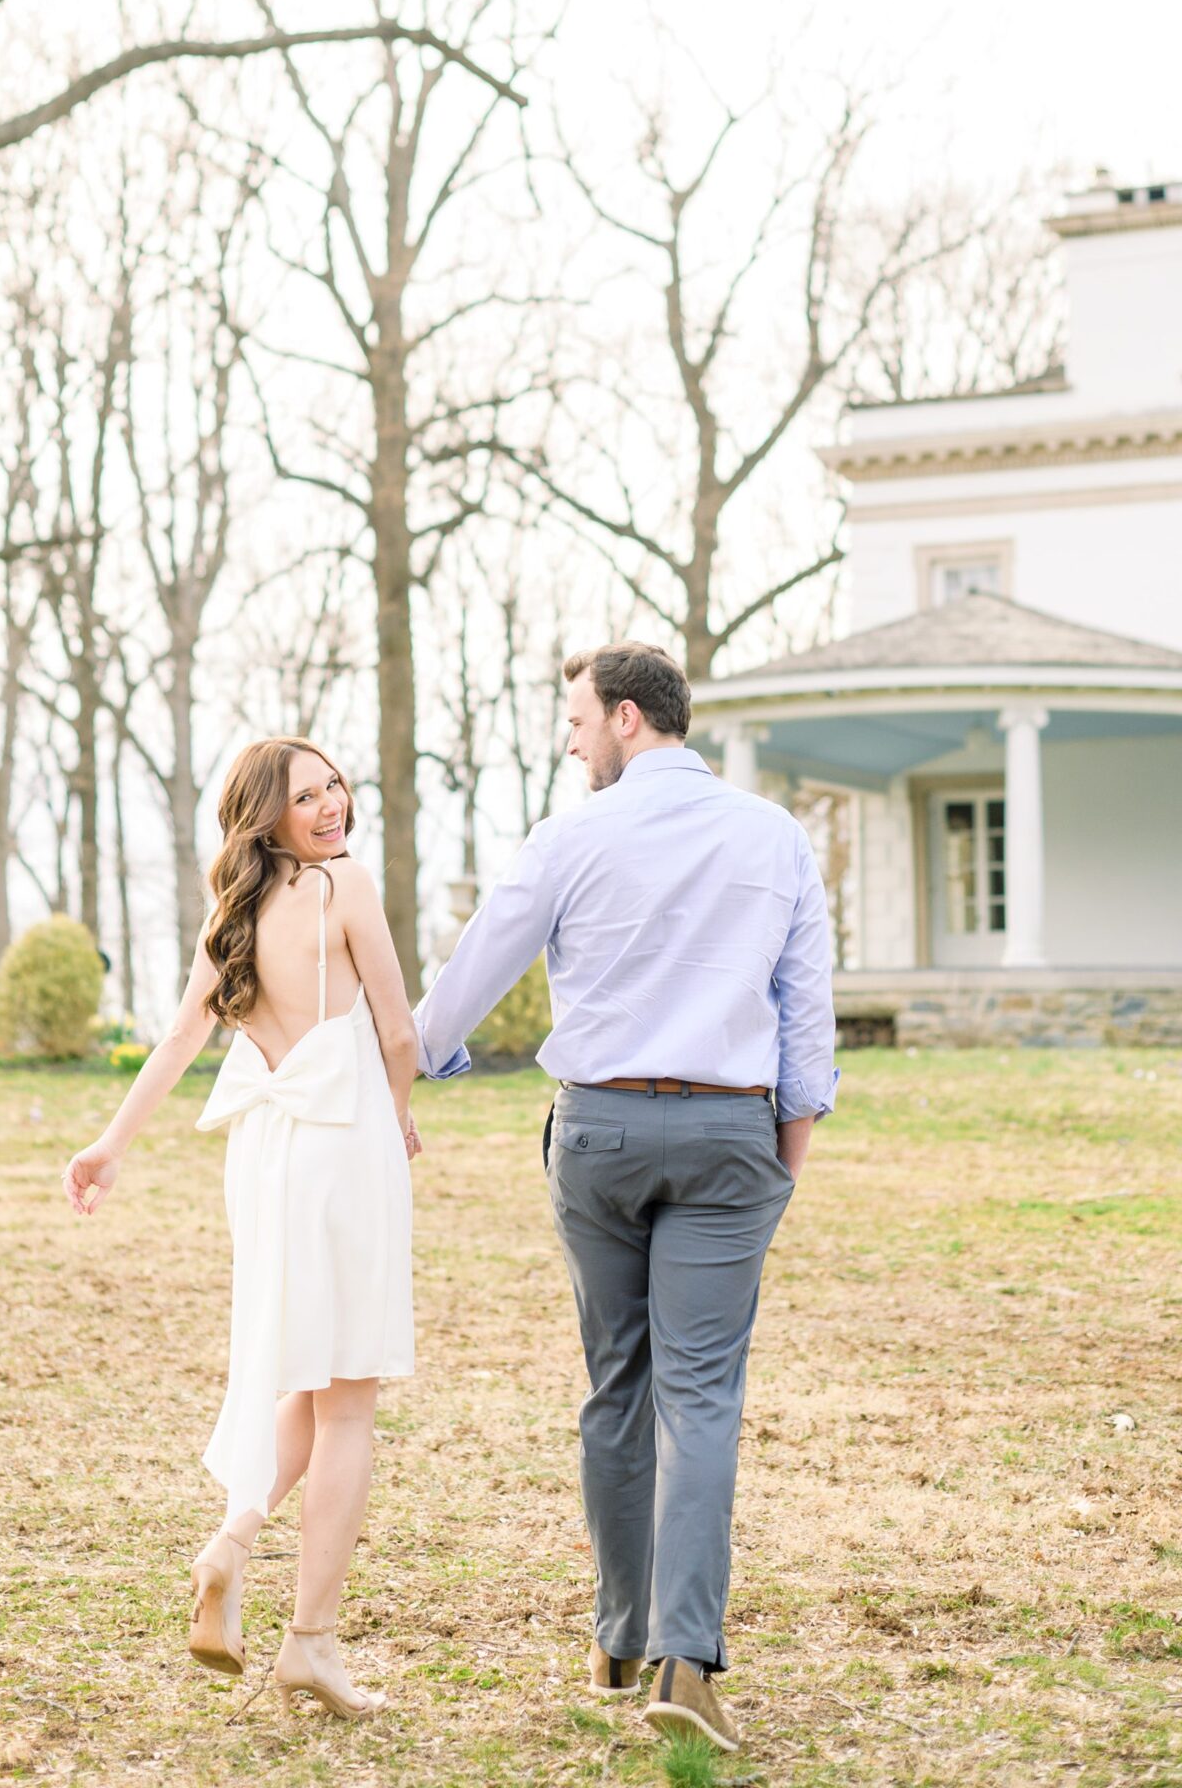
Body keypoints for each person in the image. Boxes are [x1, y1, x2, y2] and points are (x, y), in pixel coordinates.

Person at [413, 641, 835, 1755]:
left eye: (576, 719)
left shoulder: (569, 836)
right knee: (698, 1394)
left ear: (629, 719)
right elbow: (803, 1009)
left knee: (616, 1383)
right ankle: (685, 1660)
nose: (569, 739)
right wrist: (784, 1147)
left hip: (597, 1128)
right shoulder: (773, 836)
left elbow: (474, 964)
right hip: (728, 1130)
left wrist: (415, 1054)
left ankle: (617, 1635)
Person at [62, 739, 419, 1720]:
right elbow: (396, 1030)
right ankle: (310, 1641)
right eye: (306, 796)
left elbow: (182, 1035)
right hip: (340, 1145)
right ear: (268, 815)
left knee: (304, 1375)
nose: (331, 804)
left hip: (262, 1155)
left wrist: (110, 1142)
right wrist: (398, 1113)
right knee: (347, 1399)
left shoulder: (233, 910)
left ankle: (230, 1540)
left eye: (335, 783)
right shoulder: (342, 888)